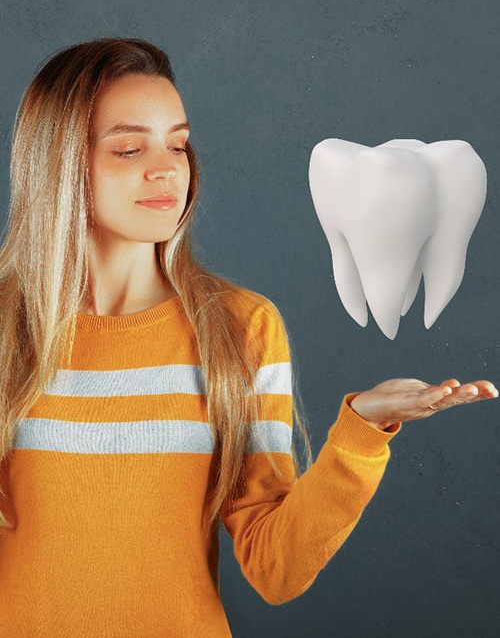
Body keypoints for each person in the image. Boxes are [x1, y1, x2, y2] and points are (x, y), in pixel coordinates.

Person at [0, 37, 496, 637]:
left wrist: (360, 434)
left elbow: (274, 567)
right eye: (129, 148)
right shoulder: (8, 326)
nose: (166, 169)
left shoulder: (240, 328)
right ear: (55, 164)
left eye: (178, 145)